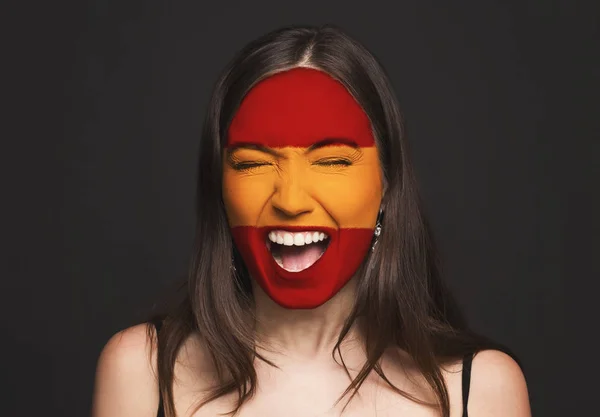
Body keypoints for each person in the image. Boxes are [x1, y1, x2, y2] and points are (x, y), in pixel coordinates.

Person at [91, 24, 531, 417]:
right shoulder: (141, 373)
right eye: (251, 164)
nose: (291, 200)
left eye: (333, 161)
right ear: (219, 189)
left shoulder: (479, 391)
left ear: (387, 187)